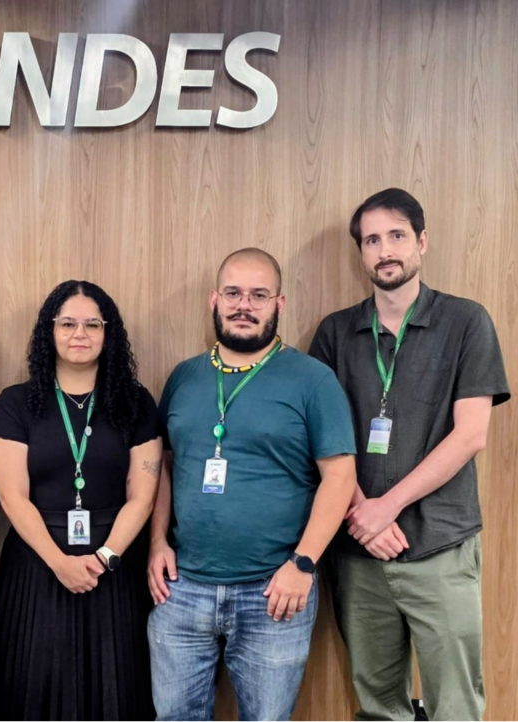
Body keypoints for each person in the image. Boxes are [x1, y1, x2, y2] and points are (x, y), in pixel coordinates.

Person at [309, 188, 510, 721]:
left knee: (456, 705)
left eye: (396, 235)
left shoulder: (467, 322)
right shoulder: (334, 333)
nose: (385, 250)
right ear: (361, 253)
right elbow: (321, 439)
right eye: (371, 240)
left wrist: (386, 507)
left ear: (421, 241)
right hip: (359, 552)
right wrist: (363, 515)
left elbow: (470, 436)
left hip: (440, 545)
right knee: (379, 707)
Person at [147, 248, 357, 721]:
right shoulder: (184, 377)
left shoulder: (312, 380)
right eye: (233, 293)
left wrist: (303, 563)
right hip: (182, 589)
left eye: (259, 295)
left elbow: (340, 477)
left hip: (275, 590)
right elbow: (165, 465)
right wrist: (157, 542)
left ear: (279, 303)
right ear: (214, 300)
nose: (244, 305)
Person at [0, 280, 162, 721]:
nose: (79, 333)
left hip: (113, 566)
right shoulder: (17, 402)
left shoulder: (135, 402)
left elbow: (143, 496)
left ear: (108, 332)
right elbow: (11, 495)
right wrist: (59, 562)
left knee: (115, 690)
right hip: (37, 564)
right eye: (67, 324)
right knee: (32, 689)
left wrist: (104, 558)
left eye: (92, 324)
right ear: (50, 331)